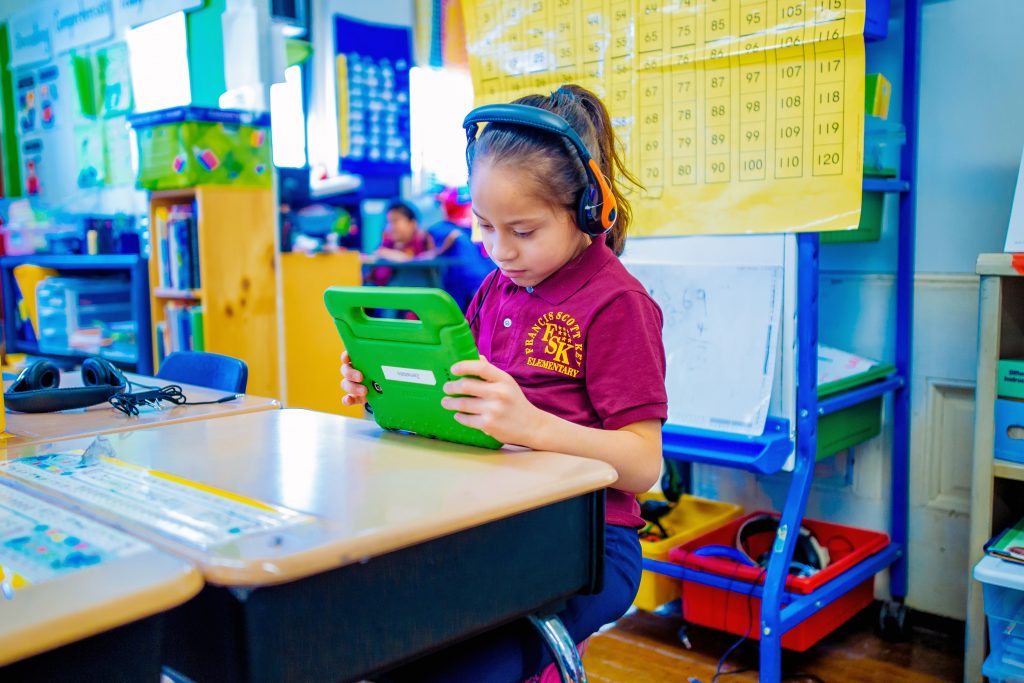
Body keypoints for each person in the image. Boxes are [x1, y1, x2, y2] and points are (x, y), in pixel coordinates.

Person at [341, 84, 668, 682]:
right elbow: (460, 408)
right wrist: (386, 392)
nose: (500, 251)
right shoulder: (497, 288)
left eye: (523, 230)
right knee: (374, 639)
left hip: (588, 539)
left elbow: (645, 466)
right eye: (485, 226)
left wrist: (532, 426)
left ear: (588, 209)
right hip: (492, 518)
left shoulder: (618, 303)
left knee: (458, 669)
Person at [426, 186, 494, 311]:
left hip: (465, 283)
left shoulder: (438, 229)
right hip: (483, 279)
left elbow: (431, 254)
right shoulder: (477, 227)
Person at [367, 199, 436, 287]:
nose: (390, 227)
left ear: (412, 223)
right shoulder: (387, 245)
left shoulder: (425, 242)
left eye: (395, 221)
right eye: (388, 222)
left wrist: (400, 257)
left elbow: (426, 260)